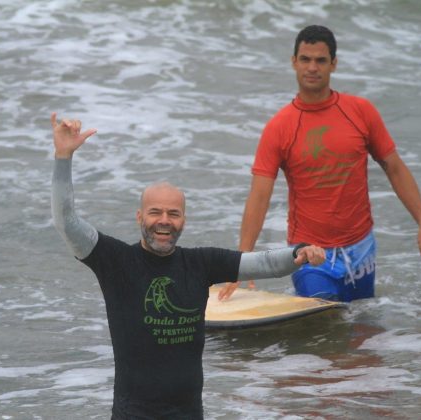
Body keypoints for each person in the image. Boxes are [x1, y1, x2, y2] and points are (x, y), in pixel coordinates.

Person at [50, 113, 326, 419]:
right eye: (155, 212)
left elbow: (261, 264)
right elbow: (67, 223)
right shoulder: (116, 262)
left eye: (174, 213)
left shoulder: (200, 263)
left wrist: (298, 254)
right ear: (139, 217)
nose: (164, 221)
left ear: (184, 220)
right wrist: (63, 157)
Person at [218, 25, 421, 303]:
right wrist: (242, 262)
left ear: (333, 64)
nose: (312, 67)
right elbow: (260, 195)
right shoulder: (280, 127)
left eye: (321, 60)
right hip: (310, 253)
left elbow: (393, 167)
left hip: (361, 248)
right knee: (325, 327)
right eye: (305, 59)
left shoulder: (360, 111)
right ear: (294, 62)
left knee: (362, 332)